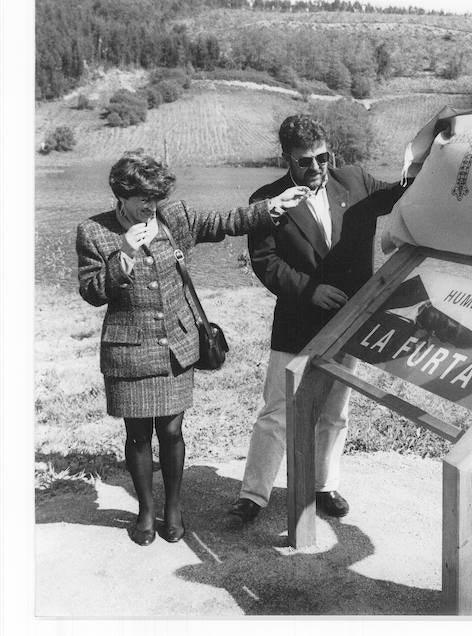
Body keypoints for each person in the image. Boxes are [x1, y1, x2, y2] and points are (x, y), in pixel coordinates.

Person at [76, 151, 305, 546]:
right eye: (144, 200)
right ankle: (146, 511)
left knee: (171, 430)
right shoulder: (94, 232)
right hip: (129, 351)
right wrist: (124, 254)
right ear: (122, 194)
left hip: (176, 347)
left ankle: (175, 507)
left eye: (157, 198)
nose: (151, 207)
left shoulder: (172, 218)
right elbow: (92, 292)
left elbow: (225, 221)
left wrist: (269, 207)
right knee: (137, 437)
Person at [228, 115, 408, 524]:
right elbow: (266, 263)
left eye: (323, 158)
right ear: (286, 159)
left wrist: (438, 150)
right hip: (296, 320)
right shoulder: (266, 199)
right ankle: (253, 495)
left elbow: (402, 194)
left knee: (335, 410)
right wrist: (310, 290)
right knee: (277, 410)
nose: (316, 169)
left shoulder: (356, 180)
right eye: (305, 161)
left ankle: (323, 485)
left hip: (349, 320)